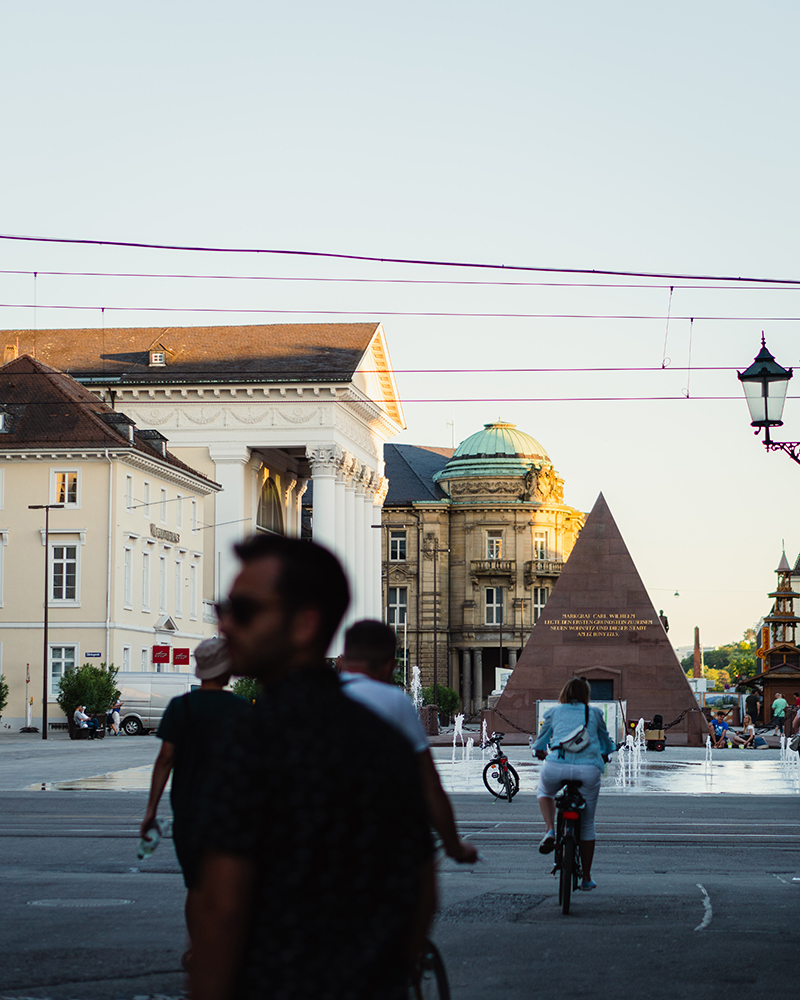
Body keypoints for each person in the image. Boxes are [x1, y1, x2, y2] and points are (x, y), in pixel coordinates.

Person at [190, 535, 435, 1000]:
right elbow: (422, 886)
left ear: (303, 624)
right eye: (225, 607)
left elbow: (221, 907)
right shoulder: (383, 739)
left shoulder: (252, 740)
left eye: (242, 610)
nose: (224, 624)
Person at [140, 638, 249, 966]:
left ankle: (198, 947)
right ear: (226, 671)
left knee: (196, 884)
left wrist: (150, 811)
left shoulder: (180, 707)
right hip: (233, 810)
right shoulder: (242, 708)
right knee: (230, 881)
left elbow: (165, 759)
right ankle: (226, 948)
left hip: (188, 809)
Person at [339, 619, 478, 864]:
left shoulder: (314, 697)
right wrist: (453, 846)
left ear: (342, 660)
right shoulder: (395, 701)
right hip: (382, 833)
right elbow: (429, 782)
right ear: (389, 666)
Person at [531, 677, 615, 892]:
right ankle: (586, 877)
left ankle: (550, 831)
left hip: (556, 765)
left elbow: (541, 742)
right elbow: (606, 742)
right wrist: (605, 754)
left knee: (545, 792)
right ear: (586, 694)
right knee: (587, 825)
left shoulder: (553, 712)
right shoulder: (594, 713)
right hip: (588, 770)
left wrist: (540, 752)